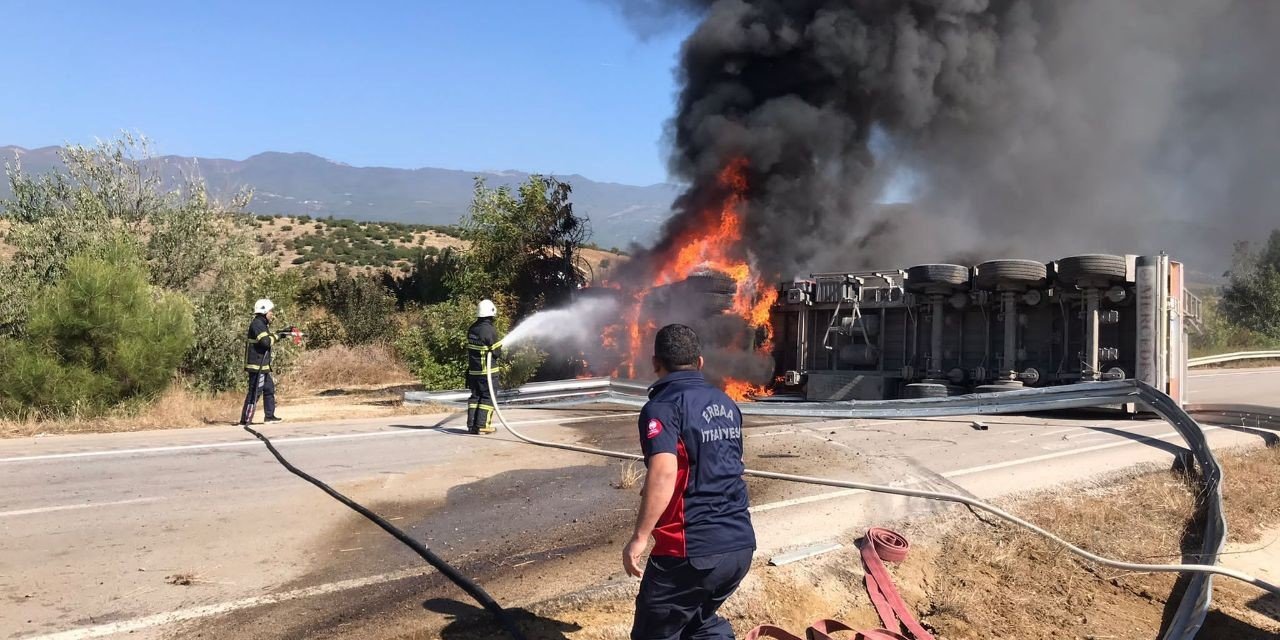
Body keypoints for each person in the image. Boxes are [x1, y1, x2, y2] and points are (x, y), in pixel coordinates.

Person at [624, 324, 756, 640]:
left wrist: (639, 538)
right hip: (738, 547)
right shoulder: (726, 403)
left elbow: (664, 472)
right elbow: (728, 464)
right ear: (699, 363)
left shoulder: (663, 406)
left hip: (690, 552)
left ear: (656, 363)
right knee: (697, 624)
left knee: (653, 633)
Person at [239, 298, 296, 426]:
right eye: (270, 311)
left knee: (269, 388)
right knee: (255, 392)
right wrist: (279, 336)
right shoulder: (257, 324)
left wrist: (283, 332)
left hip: (263, 365)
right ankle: (245, 420)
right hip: (257, 365)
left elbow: (268, 337)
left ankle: (269, 417)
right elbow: (265, 342)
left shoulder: (262, 324)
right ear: (264, 312)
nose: (272, 314)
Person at [466, 299, 503, 435]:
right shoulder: (489, 330)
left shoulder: (472, 328)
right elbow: (497, 352)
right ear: (491, 314)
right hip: (487, 372)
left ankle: (472, 426)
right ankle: (483, 425)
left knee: (475, 397)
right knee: (487, 397)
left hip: (473, 372)